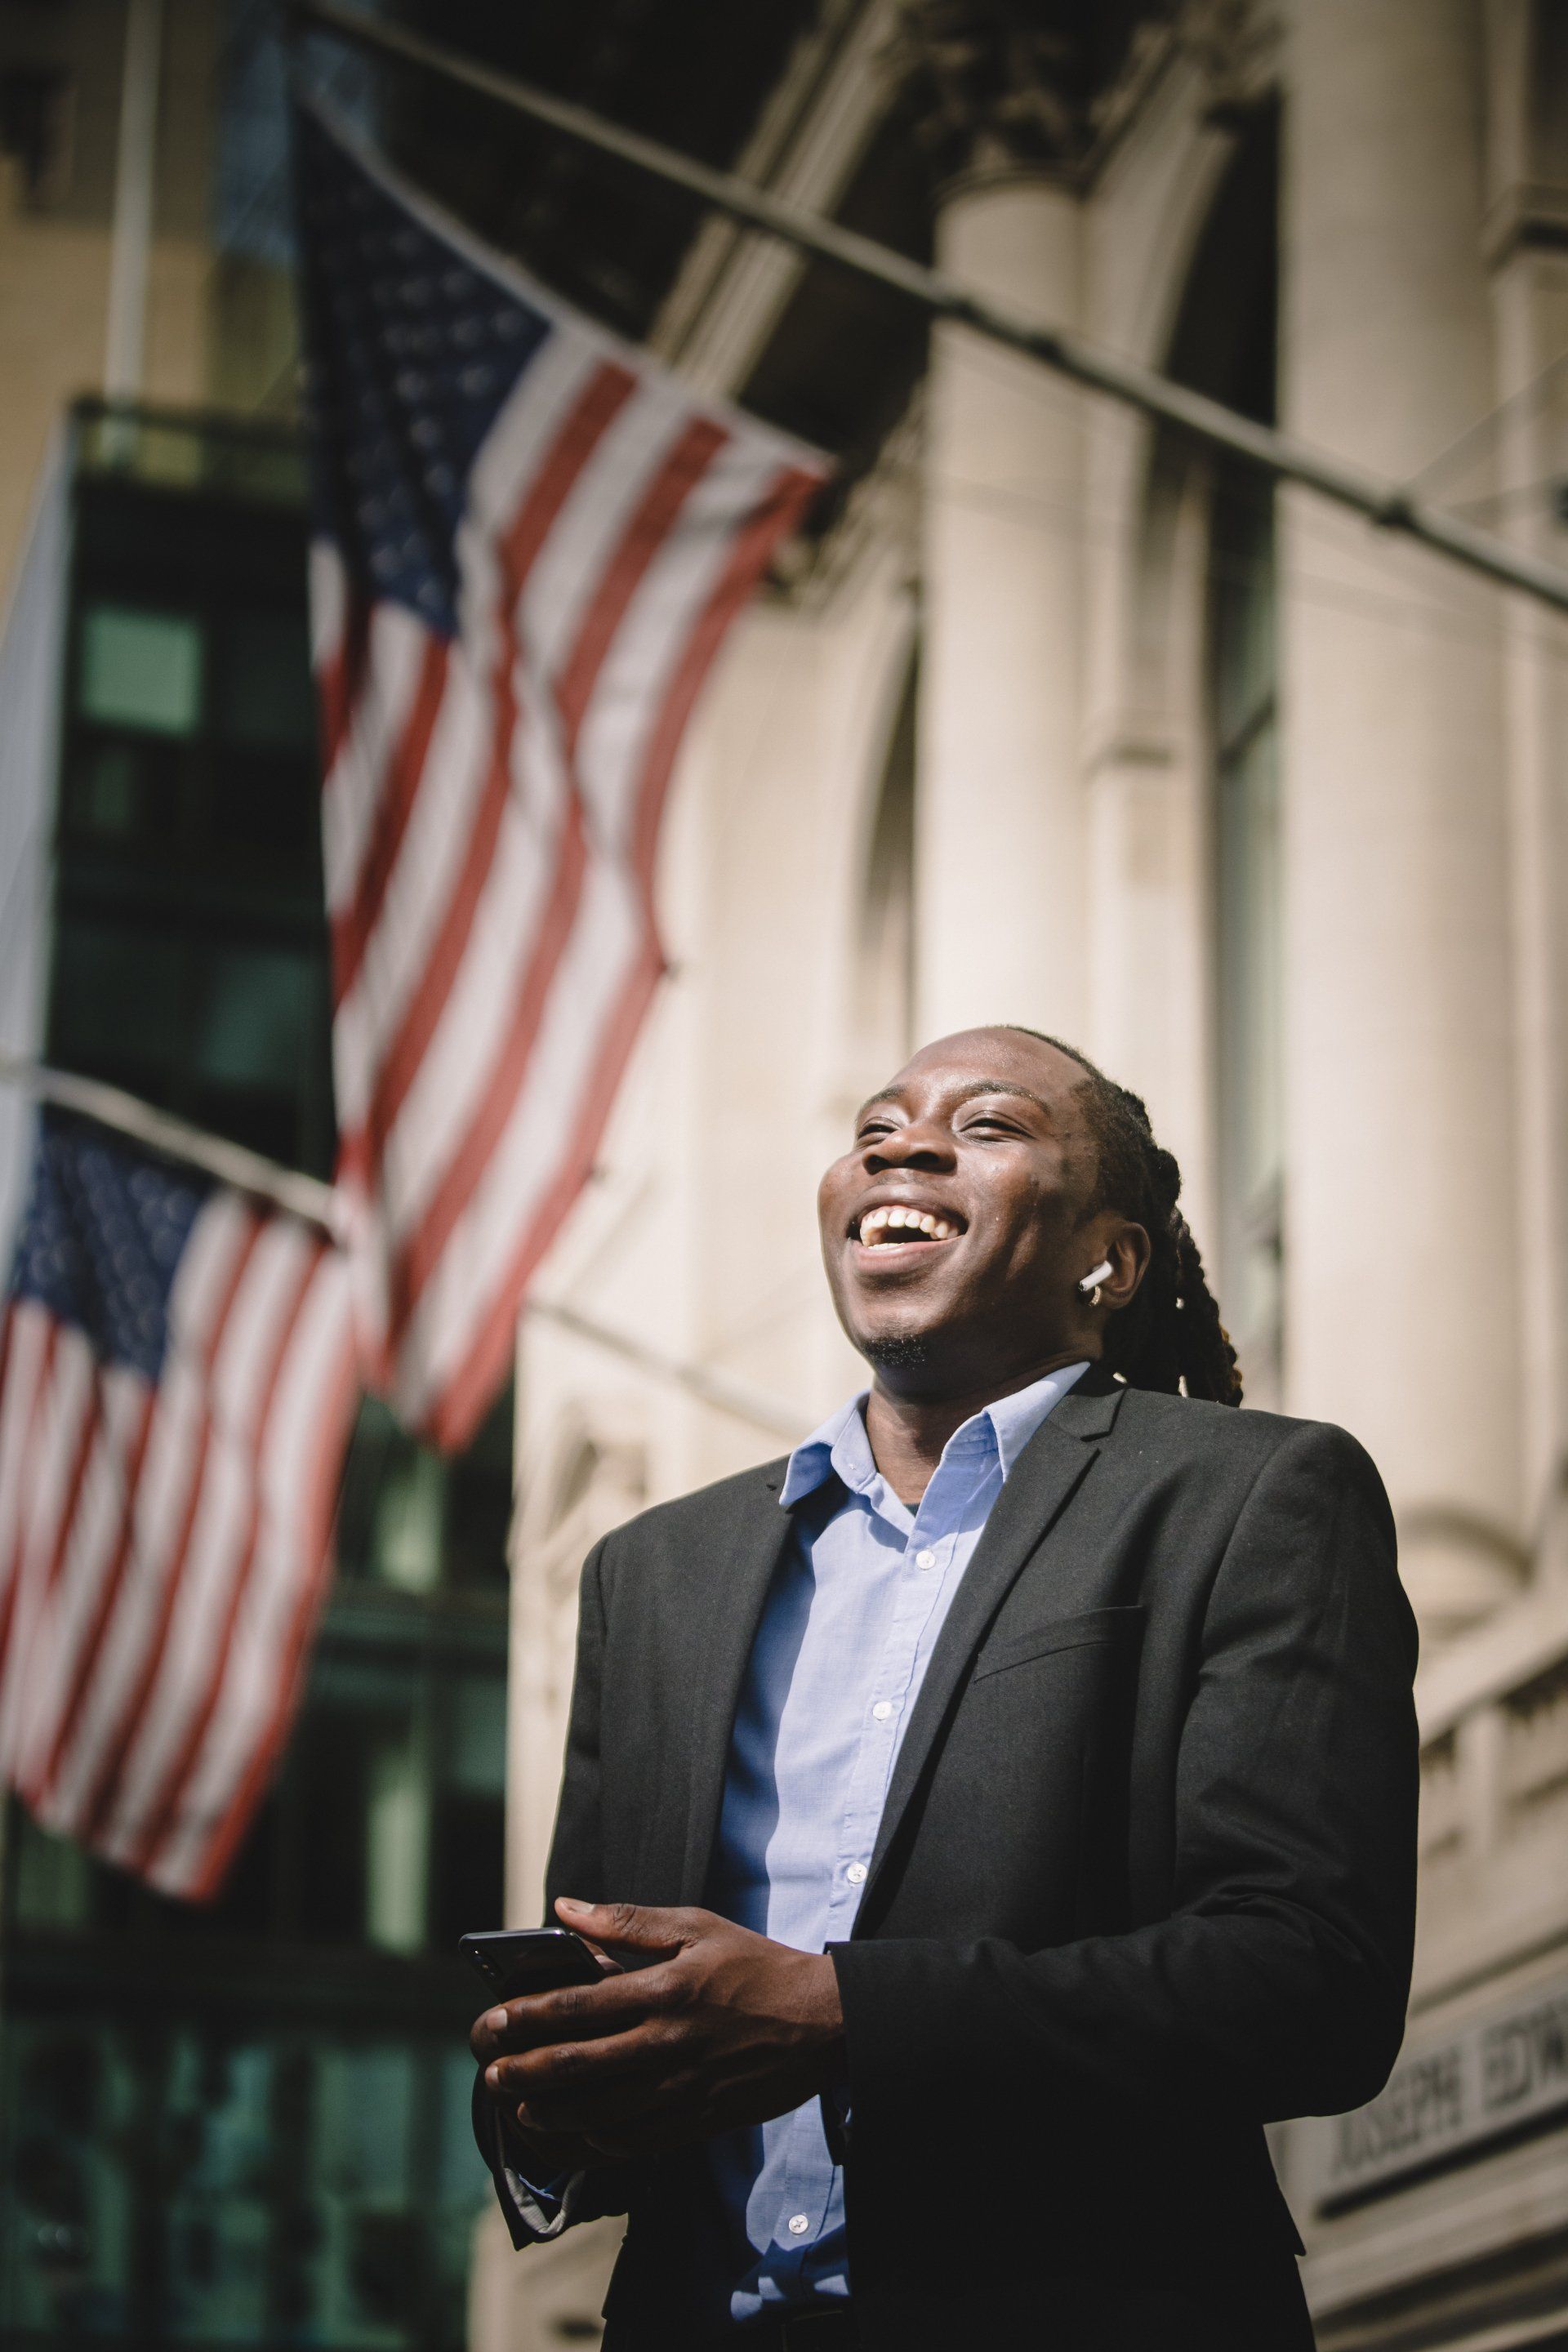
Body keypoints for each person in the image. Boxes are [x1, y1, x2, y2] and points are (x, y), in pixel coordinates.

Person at [470, 1026, 1419, 2351]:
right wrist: (554, 2092)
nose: (900, 1146)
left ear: (1113, 1255)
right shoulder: (654, 1575)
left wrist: (840, 2017)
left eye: (987, 1125)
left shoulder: (1252, 1497)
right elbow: (606, 2000)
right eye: (875, 1127)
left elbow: (1311, 1980)